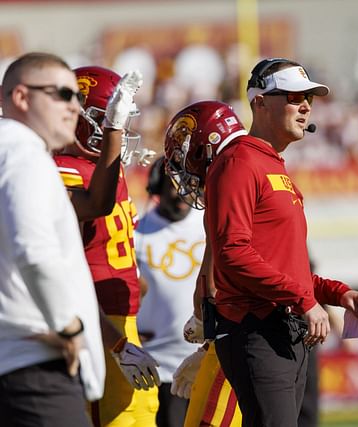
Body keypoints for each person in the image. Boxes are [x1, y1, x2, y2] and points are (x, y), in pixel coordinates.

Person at [207, 57, 358, 427]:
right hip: (256, 326)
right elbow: (231, 252)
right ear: (260, 102)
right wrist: (302, 299)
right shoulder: (239, 161)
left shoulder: (273, 165)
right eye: (293, 97)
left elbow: (284, 265)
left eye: (308, 98)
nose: (306, 105)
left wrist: (335, 292)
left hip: (284, 327)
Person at [0, 52, 104, 426]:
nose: (75, 107)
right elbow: (33, 249)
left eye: (77, 96)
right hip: (32, 362)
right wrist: (68, 325)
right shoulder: (23, 150)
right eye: (61, 94)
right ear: (22, 98)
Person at [54, 65, 160, 427]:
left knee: (140, 416)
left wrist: (134, 284)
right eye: (108, 119)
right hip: (98, 325)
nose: (121, 130)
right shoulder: (63, 170)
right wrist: (115, 341)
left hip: (121, 322)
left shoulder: (103, 175)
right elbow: (67, 275)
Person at [164, 100, 247, 427]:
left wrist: (212, 335)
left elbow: (217, 273)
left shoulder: (230, 176)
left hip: (240, 334)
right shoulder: (253, 166)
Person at [135, 157, 205, 427]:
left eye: (185, 189)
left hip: (207, 359)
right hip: (159, 368)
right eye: (171, 189)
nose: (179, 197)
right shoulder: (137, 233)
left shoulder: (211, 222)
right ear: (155, 189)